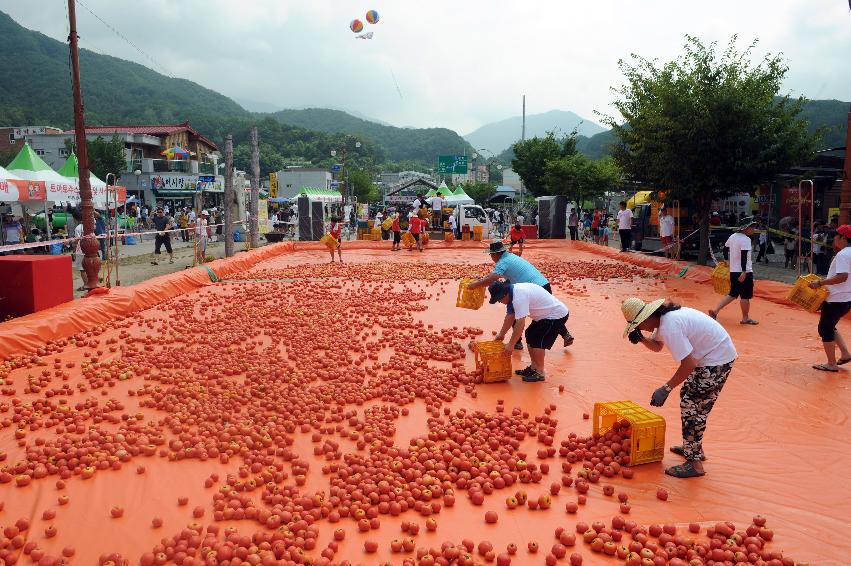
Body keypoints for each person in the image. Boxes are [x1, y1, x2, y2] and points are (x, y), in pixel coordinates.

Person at [622, 297, 737, 478]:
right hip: (711, 356)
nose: (639, 328)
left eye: (638, 326)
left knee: (692, 407)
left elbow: (688, 364)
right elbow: (658, 346)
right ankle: (693, 447)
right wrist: (643, 339)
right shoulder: (663, 321)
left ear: (645, 318)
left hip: (716, 360)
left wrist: (666, 388)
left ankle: (694, 464)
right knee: (689, 398)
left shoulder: (670, 326)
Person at [468, 241, 574, 350]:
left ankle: (517, 342)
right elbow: (494, 276)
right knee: (546, 314)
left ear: (495, 254)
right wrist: (481, 280)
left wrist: (475, 285)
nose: (491, 257)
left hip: (534, 289)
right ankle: (565, 334)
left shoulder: (503, 262)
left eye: (491, 254)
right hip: (542, 284)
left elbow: (493, 278)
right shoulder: (510, 256)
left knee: (520, 314)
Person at [487, 280, 569, 383]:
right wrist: (501, 334)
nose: (499, 302)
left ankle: (539, 372)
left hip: (555, 315)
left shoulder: (518, 296)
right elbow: (510, 316)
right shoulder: (511, 293)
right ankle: (534, 368)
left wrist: (511, 345)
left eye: (499, 299)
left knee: (538, 341)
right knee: (530, 334)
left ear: (504, 294)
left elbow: (520, 323)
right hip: (543, 316)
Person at [808, 224, 851, 372]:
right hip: (845, 298)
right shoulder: (847, 253)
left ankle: (831, 363)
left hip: (835, 299)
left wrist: (820, 283)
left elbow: (842, 277)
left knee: (825, 329)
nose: (834, 239)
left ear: (843, 237)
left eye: (836, 236)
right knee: (830, 326)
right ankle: (845, 353)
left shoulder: (844, 254)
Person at [710, 219, 758, 325]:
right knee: (745, 296)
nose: (753, 229)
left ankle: (715, 310)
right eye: (752, 227)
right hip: (744, 272)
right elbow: (744, 256)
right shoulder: (746, 239)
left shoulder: (732, 237)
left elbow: (725, 249)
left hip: (733, 271)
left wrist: (726, 260)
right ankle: (745, 318)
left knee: (732, 294)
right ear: (745, 228)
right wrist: (744, 271)